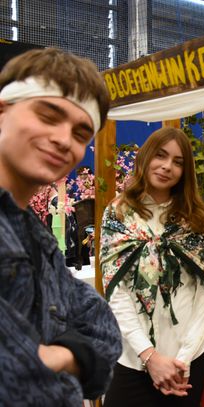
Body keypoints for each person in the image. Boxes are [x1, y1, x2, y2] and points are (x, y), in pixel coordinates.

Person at [0, 48, 122, 404]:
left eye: (81, 133)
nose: (63, 139)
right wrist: (74, 365)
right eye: (48, 116)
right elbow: (22, 385)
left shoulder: (35, 237)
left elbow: (104, 330)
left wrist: (67, 357)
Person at [100, 127, 204, 407]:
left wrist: (185, 356)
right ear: (145, 157)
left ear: (185, 171)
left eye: (178, 162)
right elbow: (116, 291)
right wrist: (149, 356)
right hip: (133, 359)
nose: (167, 166)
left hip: (186, 361)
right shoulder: (118, 214)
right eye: (160, 155)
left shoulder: (194, 218)